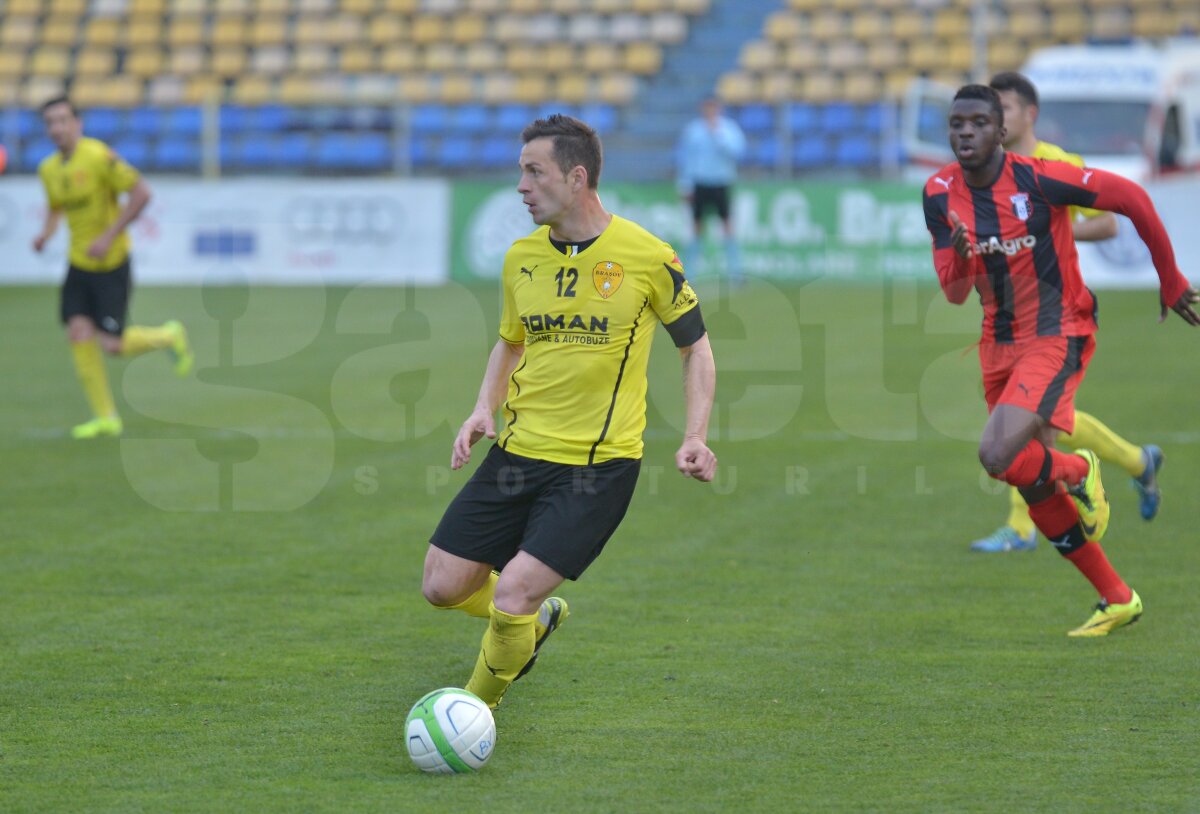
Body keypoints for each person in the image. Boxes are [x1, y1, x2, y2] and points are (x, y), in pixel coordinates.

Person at [420, 114, 717, 708]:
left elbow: (695, 348)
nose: (522, 186)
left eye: (535, 172)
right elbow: (511, 341)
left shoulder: (646, 256)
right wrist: (483, 408)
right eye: (520, 172)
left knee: (512, 598)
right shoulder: (521, 259)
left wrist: (695, 434)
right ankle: (537, 617)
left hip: (597, 467)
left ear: (577, 178)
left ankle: (474, 709)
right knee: (442, 585)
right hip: (517, 453)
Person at [922, 84, 1199, 636]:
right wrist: (955, 248)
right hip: (997, 343)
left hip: (1057, 330)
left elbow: (1133, 200)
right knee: (1031, 480)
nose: (966, 133)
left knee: (997, 453)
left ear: (1002, 131)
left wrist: (1171, 280)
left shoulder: (1038, 177)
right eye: (957, 124)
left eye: (979, 122)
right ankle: (1117, 597)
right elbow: (954, 292)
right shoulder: (937, 193)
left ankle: (1083, 468)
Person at [967, 71, 1165, 553]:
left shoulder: (1055, 163)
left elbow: (1107, 225)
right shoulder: (989, 169)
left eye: (1004, 109)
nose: (994, 118)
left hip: (1055, 314)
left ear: (1028, 114)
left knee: (1031, 428)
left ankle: (1021, 527)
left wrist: (1039, 232)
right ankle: (1138, 462)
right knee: (1043, 426)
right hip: (1009, 314)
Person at [32, 96, 192, 439]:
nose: (56, 128)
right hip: (78, 264)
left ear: (78, 124)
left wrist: (109, 236)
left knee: (113, 346)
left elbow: (141, 193)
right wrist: (45, 235)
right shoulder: (47, 169)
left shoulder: (98, 157)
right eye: (50, 122)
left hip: (111, 263)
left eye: (63, 120)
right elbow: (55, 206)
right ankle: (105, 417)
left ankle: (169, 336)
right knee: (77, 333)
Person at [676, 97, 746, 284]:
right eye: (707, 107)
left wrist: (718, 135)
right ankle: (689, 273)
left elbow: (737, 152)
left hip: (722, 182)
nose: (710, 111)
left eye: (713, 107)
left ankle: (735, 272)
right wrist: (685, 184)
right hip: (700, 183)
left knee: (727, 226)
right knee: (696, 227)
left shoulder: (728, 129)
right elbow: (686, 159)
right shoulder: (693, 130)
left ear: (719, 109)